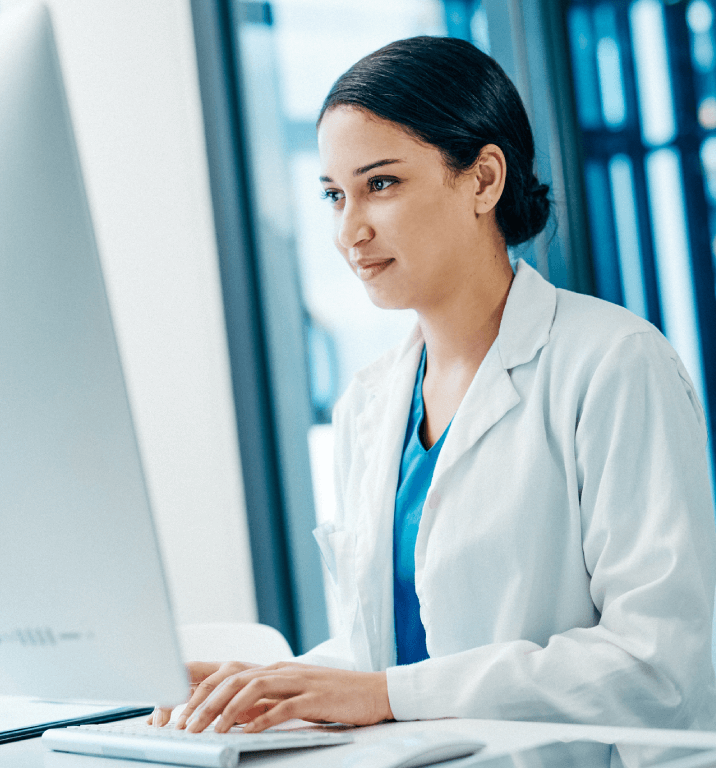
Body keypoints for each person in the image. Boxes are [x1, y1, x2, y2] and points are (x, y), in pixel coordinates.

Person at [151, 35, 716, 736]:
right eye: (334, 195)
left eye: (379, 184)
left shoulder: (615, 364)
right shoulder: (369, 401)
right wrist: (262, 686)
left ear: (483, 179)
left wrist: (385, 692)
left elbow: (659, 664)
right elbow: (389, 662)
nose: (350, 231)